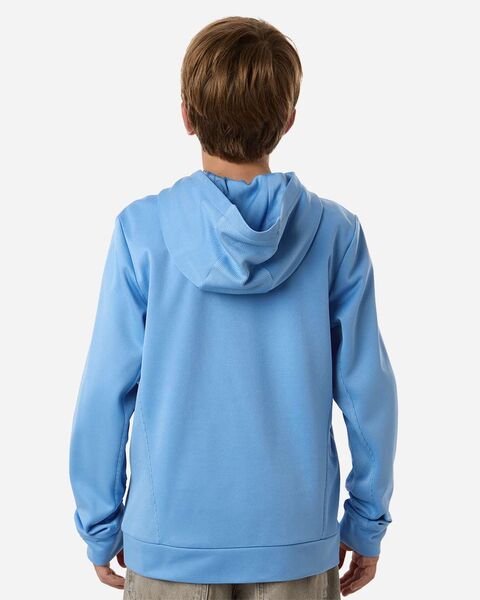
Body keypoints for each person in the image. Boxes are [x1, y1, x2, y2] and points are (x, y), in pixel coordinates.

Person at [69, 16, 398, 600]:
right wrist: (366, 521)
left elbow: (105, 391)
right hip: (296, 541)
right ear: (288, 120)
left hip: (169, 541)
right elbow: (367, 394)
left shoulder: (141, 231)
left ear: (186, 116)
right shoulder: (335, 235)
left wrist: (100, 524)